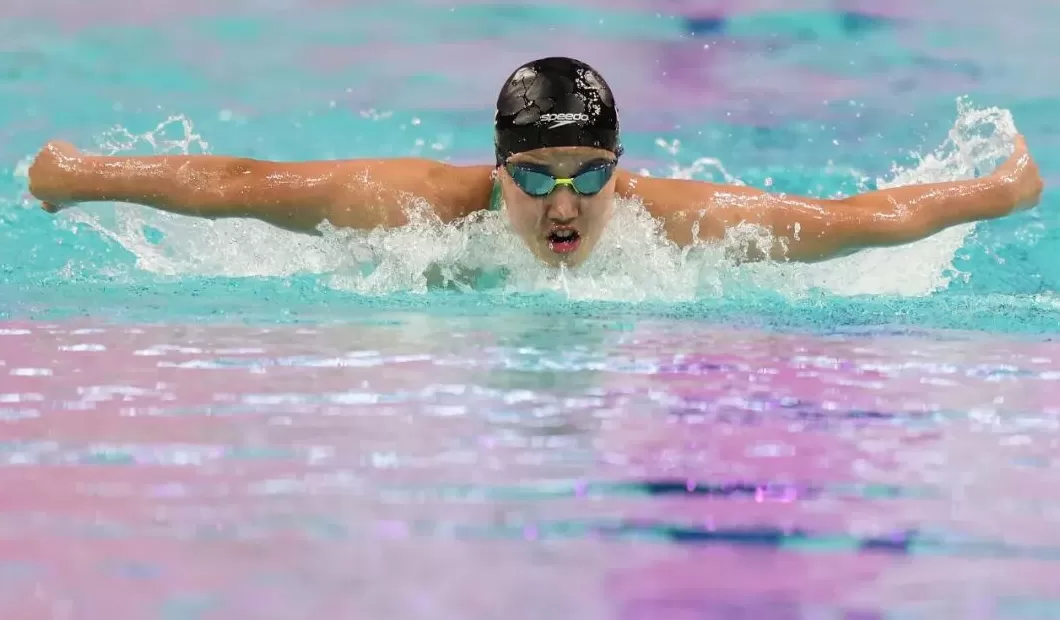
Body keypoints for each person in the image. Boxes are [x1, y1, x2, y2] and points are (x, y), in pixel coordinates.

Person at [27, 56, 1042, 267]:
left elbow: (853, 219)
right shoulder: (413, 209)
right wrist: (73, 172)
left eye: (591, 173)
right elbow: (238, 187)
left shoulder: (669, 223)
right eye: (540, 176)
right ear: (497, 170)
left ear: (619, 166)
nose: (567, 201)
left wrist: (1001, 191)